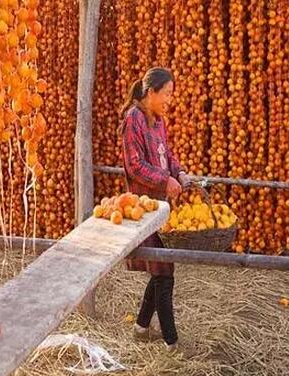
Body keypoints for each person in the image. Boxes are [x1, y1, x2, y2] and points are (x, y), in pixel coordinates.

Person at [119, 67, 191, 354]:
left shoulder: (158, 121)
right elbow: (133, 165)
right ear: (151, 92)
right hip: (144, 208)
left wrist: (180, 173)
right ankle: (172, 343)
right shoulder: (132, 120)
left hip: (162, 207)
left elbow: (167, 154)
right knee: (164, 272)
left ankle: (141, 327)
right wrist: (164, 179)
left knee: (161, 267)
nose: (170, 99)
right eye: (167, 93)